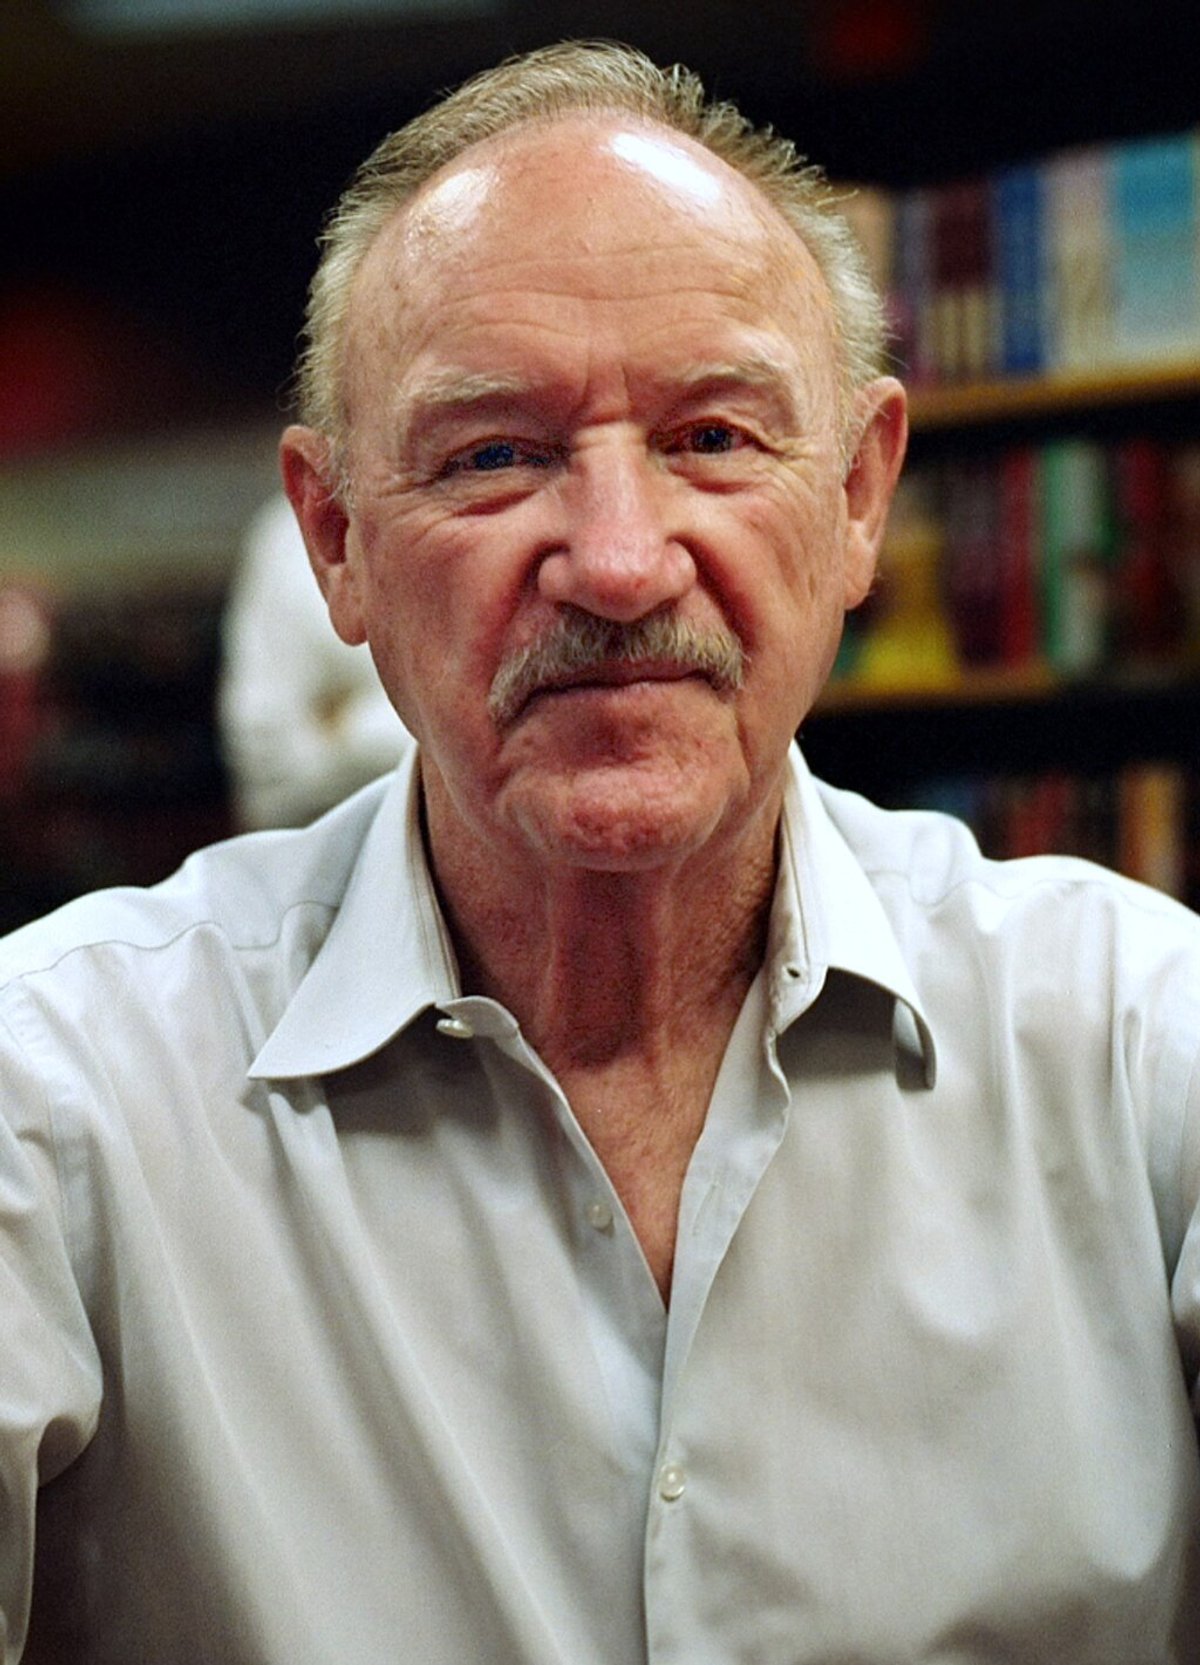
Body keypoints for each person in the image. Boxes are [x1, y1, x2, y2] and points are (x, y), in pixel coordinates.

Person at [2, 41, 1199, 1665]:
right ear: (336, 543)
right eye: (495, 455)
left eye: (713, 436)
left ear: (859, 498)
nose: (623, 563)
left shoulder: (1144, 1047)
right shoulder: (56, 1091)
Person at [218, 493, 410, 828]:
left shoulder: (475, 514)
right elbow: (266, 752)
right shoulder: (286, 535)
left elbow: (486, 732)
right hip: (324, 844)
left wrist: (347, 723)